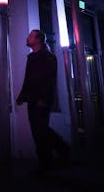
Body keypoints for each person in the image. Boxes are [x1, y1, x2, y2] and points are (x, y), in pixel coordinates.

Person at [16, 29, 70, 173]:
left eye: (30, 36)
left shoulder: (48, 57)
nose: (27, 38)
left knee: (40, 131)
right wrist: (22, 96)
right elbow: (28, 80)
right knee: (38, 131)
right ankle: (57, 153)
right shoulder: (32, 57)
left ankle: (47, 163)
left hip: (42, 100)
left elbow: (50, 81)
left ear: (38, 40)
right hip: (33, 99)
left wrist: (44, 99)